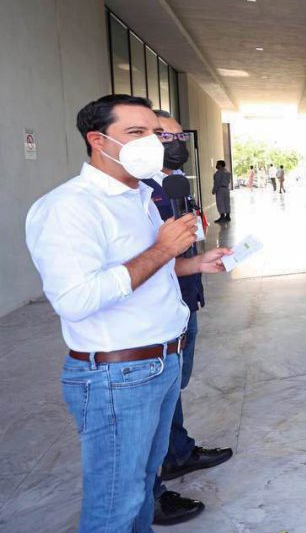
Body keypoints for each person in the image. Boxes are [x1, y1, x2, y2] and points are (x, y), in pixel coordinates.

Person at [24, 94, 231, 532]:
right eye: (136, 133)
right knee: (115, 507)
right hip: (118, 376)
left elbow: (144, 267)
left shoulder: (137, 196)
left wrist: (190, 262)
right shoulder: (68, 208)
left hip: (161, 362)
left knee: (140, 491)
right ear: (98, 141)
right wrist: (162, 248)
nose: (153, 143)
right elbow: (76, 299)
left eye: (155, 133)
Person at [146, 111, 234, 525]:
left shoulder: (176, 186)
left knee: (172, 386)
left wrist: (198, 265)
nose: (176, 141)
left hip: (183, 299)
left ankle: (178, 452)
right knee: (157, 394)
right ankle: (152, 492)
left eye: (179, 134)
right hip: (153, 317)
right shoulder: (137, 194)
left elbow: (182, 248)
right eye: (167, 134)